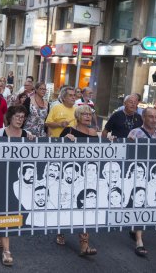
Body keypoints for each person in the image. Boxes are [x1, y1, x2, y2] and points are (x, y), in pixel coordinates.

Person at [0, 105, 34, 266]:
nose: (20, 120)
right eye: (17, 116)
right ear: (9, 117)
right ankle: (6, 251)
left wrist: (33, 142)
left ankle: (0, 233)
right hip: (1, 179)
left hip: (18, 181)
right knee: (4, 210)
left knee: (11, 211)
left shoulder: (27, 135)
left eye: (22, 117)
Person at [58, 104, 98, 256]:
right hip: (70, 176)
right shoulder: (68, 131)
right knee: (67, 205)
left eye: (90, 114)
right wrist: (66, 141)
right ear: (78, 116)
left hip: (87, 177)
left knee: (85, 209)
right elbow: (57, 151)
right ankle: (61, 230)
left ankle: (84, 245)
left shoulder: (94, 132)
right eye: (85, 114)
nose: (88, 117)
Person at [127, 107, 156, 257]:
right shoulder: (135, 133)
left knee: (146, 204)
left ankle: (135, 230)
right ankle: (139, 241)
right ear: (143, 118)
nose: (154, 120)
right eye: (151, 117)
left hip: (153, 176)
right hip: (139, 175)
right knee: (140, 203)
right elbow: (128, 155)